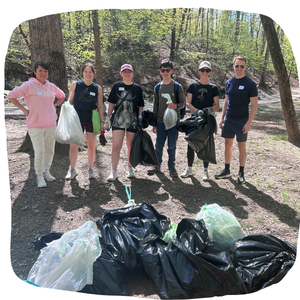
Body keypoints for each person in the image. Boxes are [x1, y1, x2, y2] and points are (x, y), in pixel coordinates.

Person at [7, 61, 65, 187]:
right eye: (40, 71)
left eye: (45, 71)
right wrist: (24, 110)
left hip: (50, 123)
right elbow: (11, 96)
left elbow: (62, 96)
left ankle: (46, 172)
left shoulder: (51, 86)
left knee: (50, 149)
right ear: (35, 72)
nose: (43, 73)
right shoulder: (28, 85)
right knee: (39, 151)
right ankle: (39, 176)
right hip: (35, 124)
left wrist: (55, 105)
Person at [215, 56, 258, 184]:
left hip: (242, 121)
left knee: (241, 147)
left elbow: (254, 105)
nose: (239, 68)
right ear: (233, 66)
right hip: (229, 120)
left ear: (245, 67)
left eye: (242, 66)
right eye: (237, 66)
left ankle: (241, 173)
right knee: (228, 145)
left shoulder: (250, 84)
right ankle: (227, 170)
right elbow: (226, 101)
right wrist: (222, 118)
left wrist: (248, 123)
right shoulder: (229, 82)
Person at [181, 61, 220, 180]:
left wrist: (209, 110)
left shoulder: (213, 88)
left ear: (210, 72)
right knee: (190, 141)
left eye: (207, 70)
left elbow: (217, 105)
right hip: (195, 118)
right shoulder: (192, 86)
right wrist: (197, 111)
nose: (204, 72)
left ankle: (205, 170)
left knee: (206, 143)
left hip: (207, 119)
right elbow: (188, 103)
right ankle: (189, 168)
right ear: (199, 71)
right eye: (202, 70)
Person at [106, 64, 144, 181]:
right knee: (116, 146)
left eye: (129, 71)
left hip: (132, 121)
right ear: (121, 73)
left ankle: (130, 168)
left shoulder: (137, 89)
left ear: (132, 74)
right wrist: (108, 118)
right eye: (124, 71)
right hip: (118, 120)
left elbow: (140, 105)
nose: (127, 74)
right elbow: (112, 103)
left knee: (130, 145)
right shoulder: (116, 86)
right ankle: (114, 171)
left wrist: (140, 117)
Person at [65, 63, 104, 180]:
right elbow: (70, 102)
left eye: (90, 72)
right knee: (74, 146)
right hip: (77, 119)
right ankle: (72, 170)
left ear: (94, 73)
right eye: (86, 71)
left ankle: (90, 170)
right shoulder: (75, 85)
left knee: (91, 146)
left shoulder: (97, 88)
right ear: (82, 72)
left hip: (92, 119)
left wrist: (102, 122)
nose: (88, 74)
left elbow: (100, 106)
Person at [147, 59, 185, 178]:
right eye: (163, 70)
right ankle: (157, 165)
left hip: (174, 122)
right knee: (159, 144)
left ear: (172, 71)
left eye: (167, 70)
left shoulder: (177, 87)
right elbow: (155, 106)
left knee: (172, 145)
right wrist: (154, 123)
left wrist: (176, 106)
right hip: (160, 122)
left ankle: (171, 167)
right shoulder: (158, 87)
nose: (165, 72)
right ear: (160, 71)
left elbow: (183, 103)